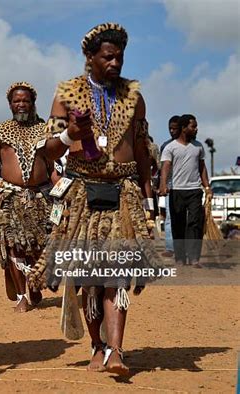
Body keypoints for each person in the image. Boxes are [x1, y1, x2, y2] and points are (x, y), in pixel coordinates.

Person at [32, 23, 160, 375]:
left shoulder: (134, 98)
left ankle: (115, 351)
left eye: (120, 56)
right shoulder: (67, 95)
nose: (115, 63)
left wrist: (148, 199)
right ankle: (97, 346)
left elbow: (142, 151)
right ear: (90, 57)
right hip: (81, 194)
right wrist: (69, 133)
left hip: (123, 194)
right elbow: (48, 150)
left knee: (116, 274)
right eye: (108, 56)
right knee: (89, 277)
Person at [0, 82, 52, 312]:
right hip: (11, 197)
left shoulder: (46, 130)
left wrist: (62, 194)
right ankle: (22, 295)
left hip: (41, 197)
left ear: (33, 103)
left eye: (25, 100)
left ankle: (34, 284)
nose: (21, 104)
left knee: (39, 247)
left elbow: (53, 166)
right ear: (10, 104)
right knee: (14, 247)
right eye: (17, 101)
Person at [159, 114, 211, 267]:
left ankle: (194, 258)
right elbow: (165, 168)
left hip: (195, 190)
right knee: (178, 224)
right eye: (193, 126)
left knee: (195, 223)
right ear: (184, 128)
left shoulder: (199, 146)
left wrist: (207, 187)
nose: (196, 129)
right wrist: (163, 185)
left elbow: (202, 167)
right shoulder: (170, 147)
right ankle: (180, 258)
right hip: (177, 191)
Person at [158, 115, 180, 257]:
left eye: (175, 128)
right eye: (170, 129)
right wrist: (162, 184)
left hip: (184, 185)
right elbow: (163, 168)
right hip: (170, 184)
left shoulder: (190, 145)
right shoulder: (165, 146)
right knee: (170, 218)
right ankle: (170, 247)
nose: (172, 131)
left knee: (183, 217)